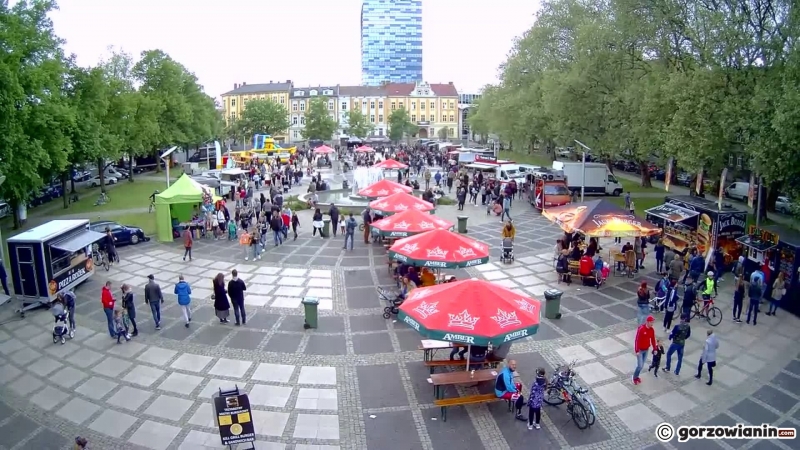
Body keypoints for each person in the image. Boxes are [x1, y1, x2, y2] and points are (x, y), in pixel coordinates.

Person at [632, 315, 657, 385]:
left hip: (646, 350)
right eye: (651, 322)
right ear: (648, 322)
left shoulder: (652, 330)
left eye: (653, 322)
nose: (652, 324)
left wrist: (655, 348)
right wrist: (636, 350)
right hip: (640, 350)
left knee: (641, 365)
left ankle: (637, 377)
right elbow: (637, 340)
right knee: (640, 365)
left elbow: (653, 340)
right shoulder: (641, 329)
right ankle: (634, 377)